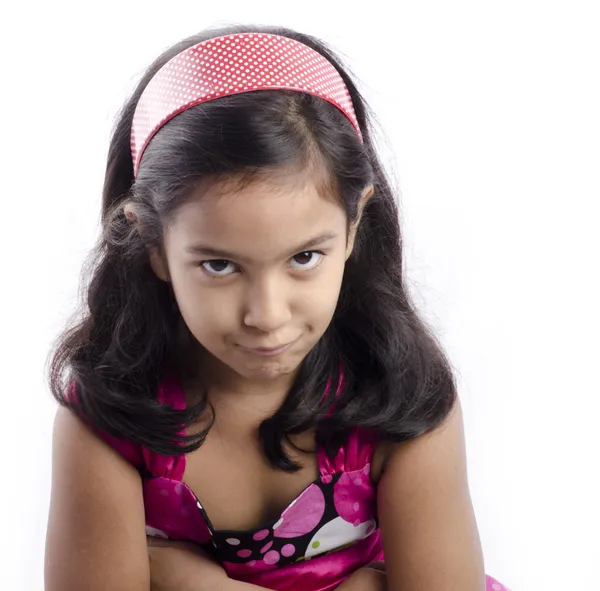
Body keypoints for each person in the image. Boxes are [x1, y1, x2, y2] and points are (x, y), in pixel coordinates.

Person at [44, 24, 510, 591]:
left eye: (305, 257)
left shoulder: (401, 395)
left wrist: (192, 583)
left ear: (354, 225)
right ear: (153, 246)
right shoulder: (109, 417)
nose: (266, 314)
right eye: (219, 266)